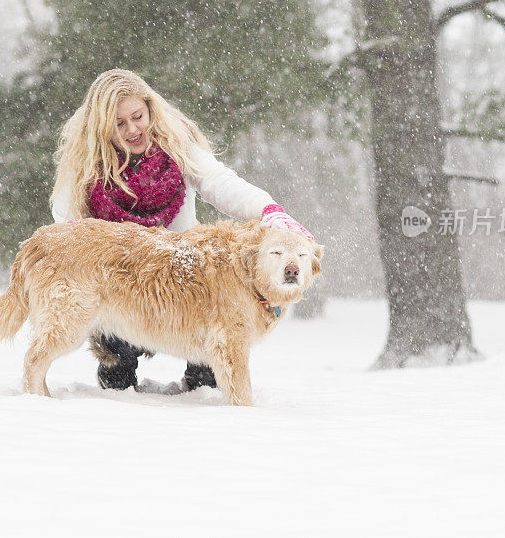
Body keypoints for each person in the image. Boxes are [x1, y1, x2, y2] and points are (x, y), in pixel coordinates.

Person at [50, 68, 312, 392]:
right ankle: (118, 386)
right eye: (119, 123)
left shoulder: (176, 140)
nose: (132, 129)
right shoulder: (86, 161)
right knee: (116, 353)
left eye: (137, 116)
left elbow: (218, 180)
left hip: (184, 275)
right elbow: (66, 223)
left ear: (149, 108)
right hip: (123, 277)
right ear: (102, 127)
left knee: (211, 360)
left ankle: (200, 385)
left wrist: (268, 209)